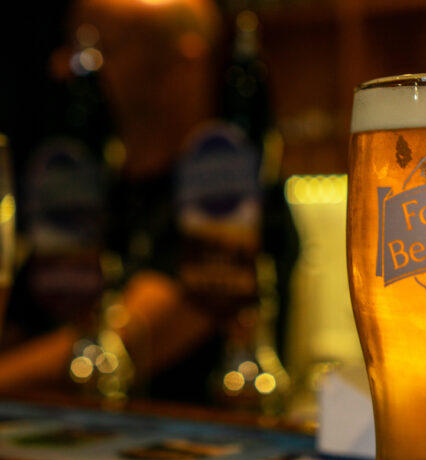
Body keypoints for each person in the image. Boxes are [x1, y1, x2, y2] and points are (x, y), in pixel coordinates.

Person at [0, 0, 298, 403]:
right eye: (72, 48)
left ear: (184, 61)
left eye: (99, 48)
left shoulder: (231, 193)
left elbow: (136, 338)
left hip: (193, 436)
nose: (64, 68)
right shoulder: (84, 189)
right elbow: (19, 325)